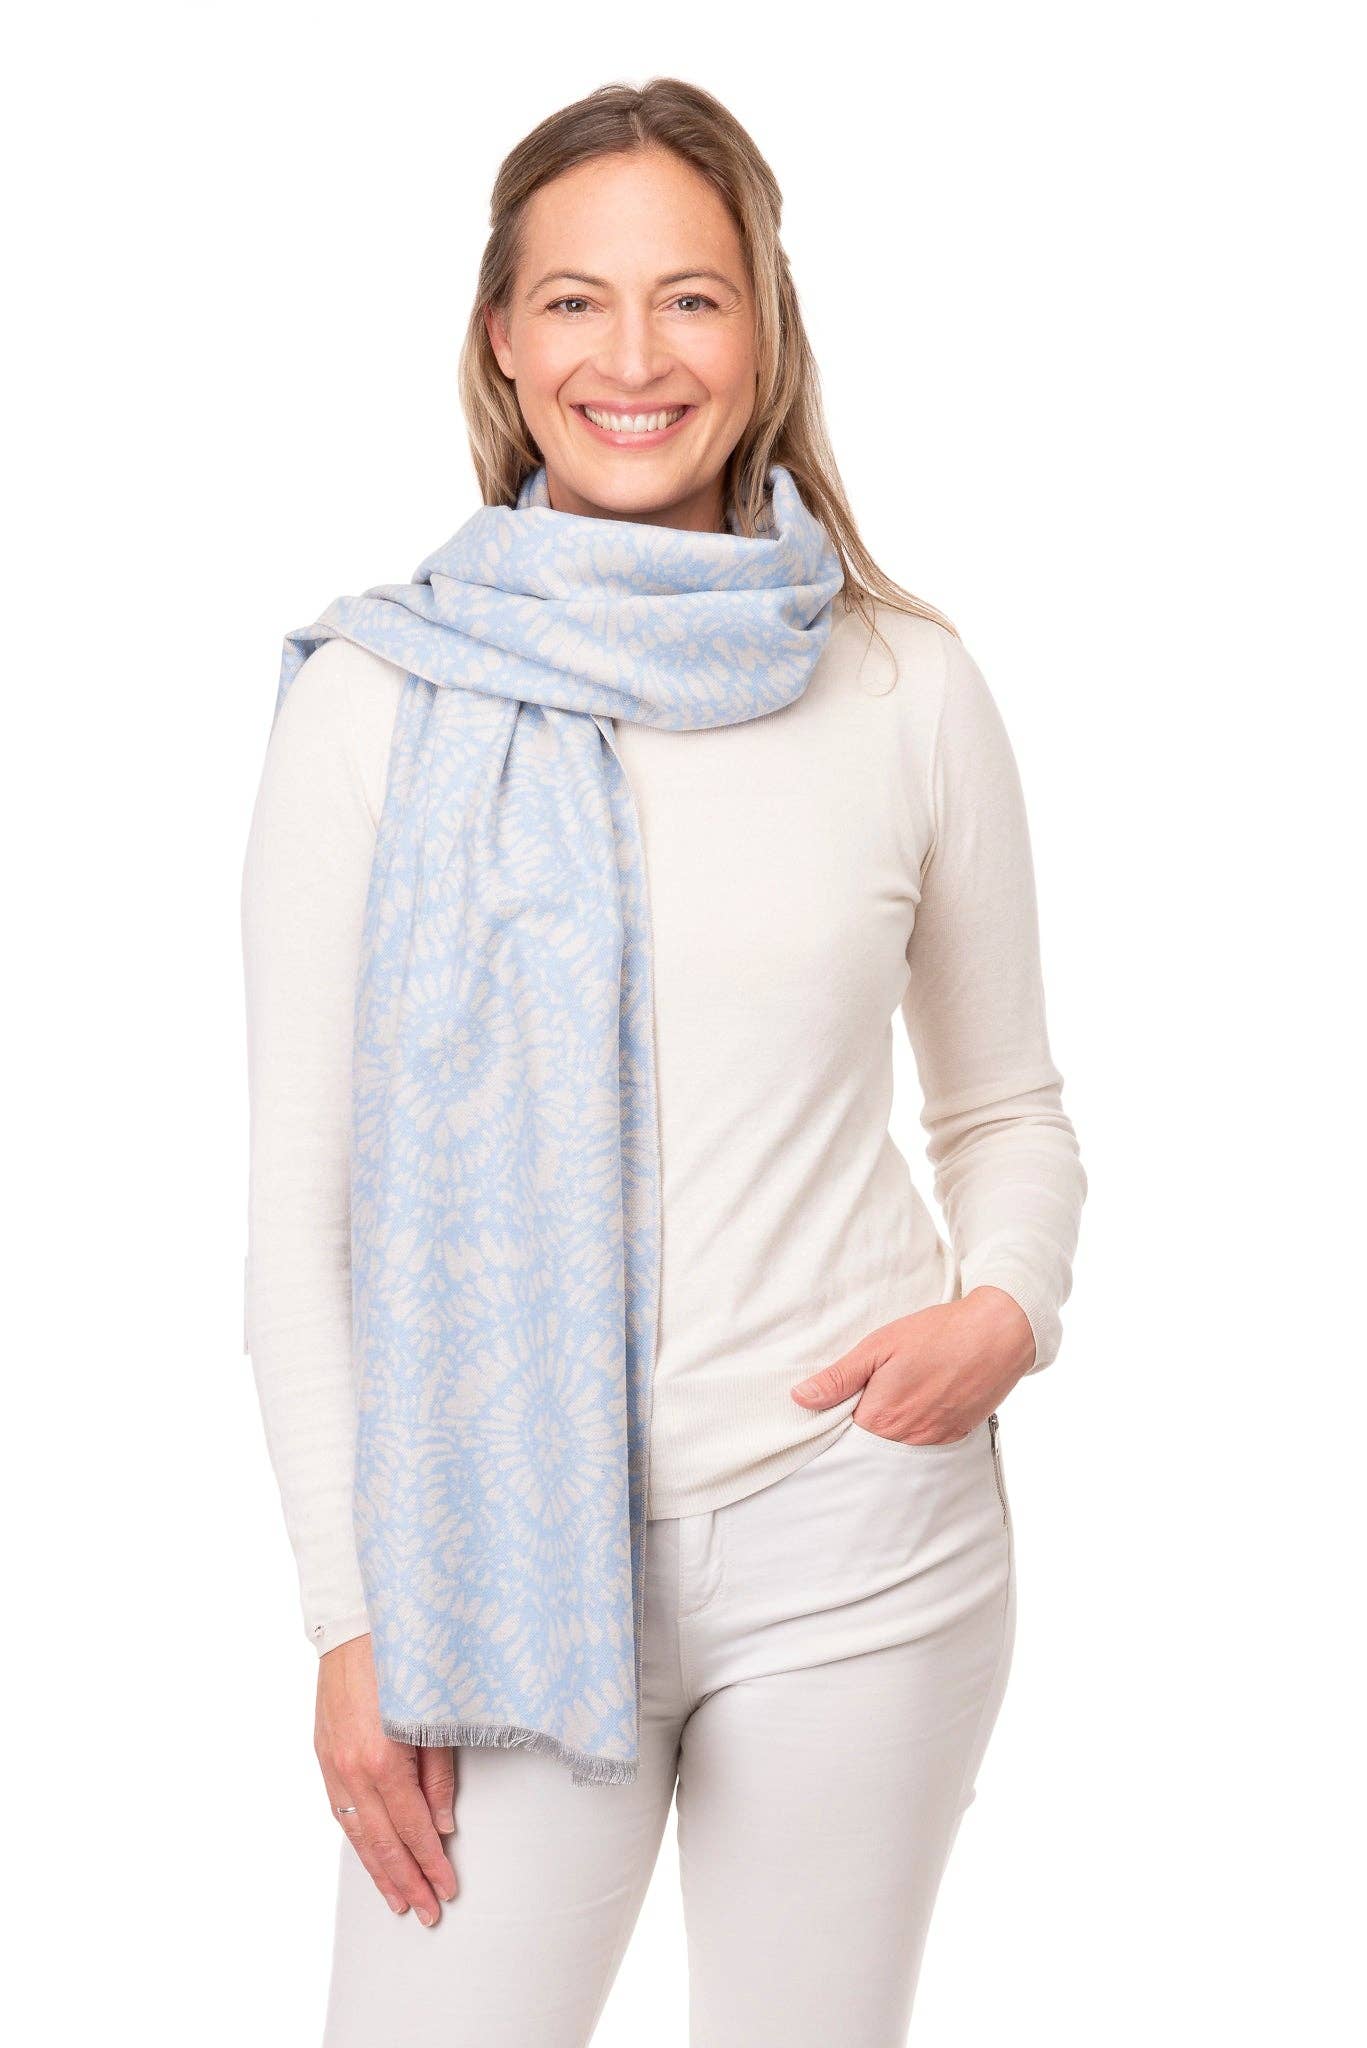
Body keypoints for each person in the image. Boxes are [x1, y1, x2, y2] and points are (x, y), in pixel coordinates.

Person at [240, 76, 1087, 2048]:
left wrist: (1006, 1311)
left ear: (764, 330)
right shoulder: (375, 702)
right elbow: (301, 1219)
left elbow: (1005, 1108)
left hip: (859, 1538)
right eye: (577, 300)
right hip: (491, 1570)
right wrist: (351, 1622)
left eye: (691, 298)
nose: (634, 359)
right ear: (501, 338)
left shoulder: (901, 682)